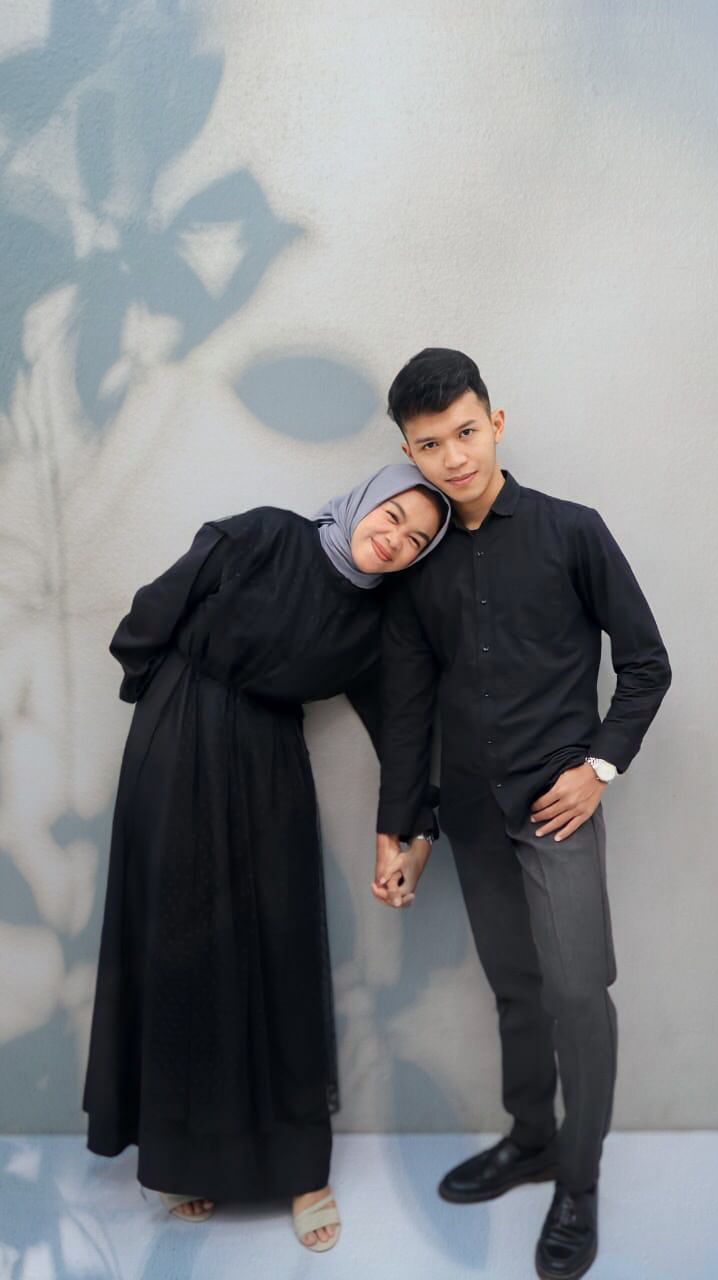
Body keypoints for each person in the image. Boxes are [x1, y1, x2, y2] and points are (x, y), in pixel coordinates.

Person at [83, 464, 449, 1252]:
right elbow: (157, 608)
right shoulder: (266, 534)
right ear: (365, 503)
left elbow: (403, 733)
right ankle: (183, 1157)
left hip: (269, 762)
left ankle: (302, 1171)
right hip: (178, 735)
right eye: (393, 517)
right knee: (179, 946)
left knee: (280, 948)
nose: (396, 540)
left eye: (417, 541)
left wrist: (410, 831)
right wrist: (160, 698)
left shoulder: (376, 627)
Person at [372, 350, 671, 1280]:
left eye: (466, 432)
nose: (454, 457)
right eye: (431, 445)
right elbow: (409, 713)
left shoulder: (572, 531)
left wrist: (601, 767)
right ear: (410, 453)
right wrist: (403, 831)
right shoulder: (418, 567)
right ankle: (531, 1139)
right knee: (516, 989)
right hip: (470, 811)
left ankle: (578, 1184)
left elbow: (647, 663)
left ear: (495, 423)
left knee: (579, 995)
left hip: (557, 810)